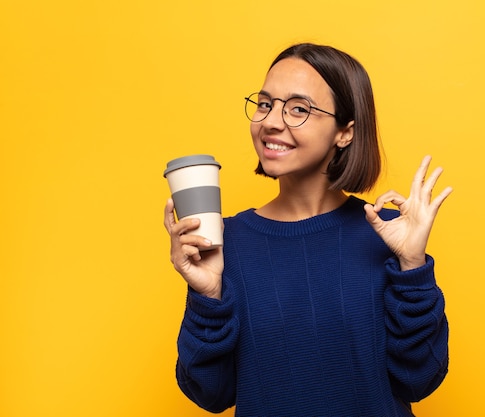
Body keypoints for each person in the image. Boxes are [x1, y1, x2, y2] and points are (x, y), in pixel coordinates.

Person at [164, 43, 453, 416]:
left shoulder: (388, 235)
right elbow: (211, 394)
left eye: (298, 109)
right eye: (265, 103)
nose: (270, 121)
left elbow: (420, 379)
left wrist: (412, 266)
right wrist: (207, 295)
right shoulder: (223, 243)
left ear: (345, 132)